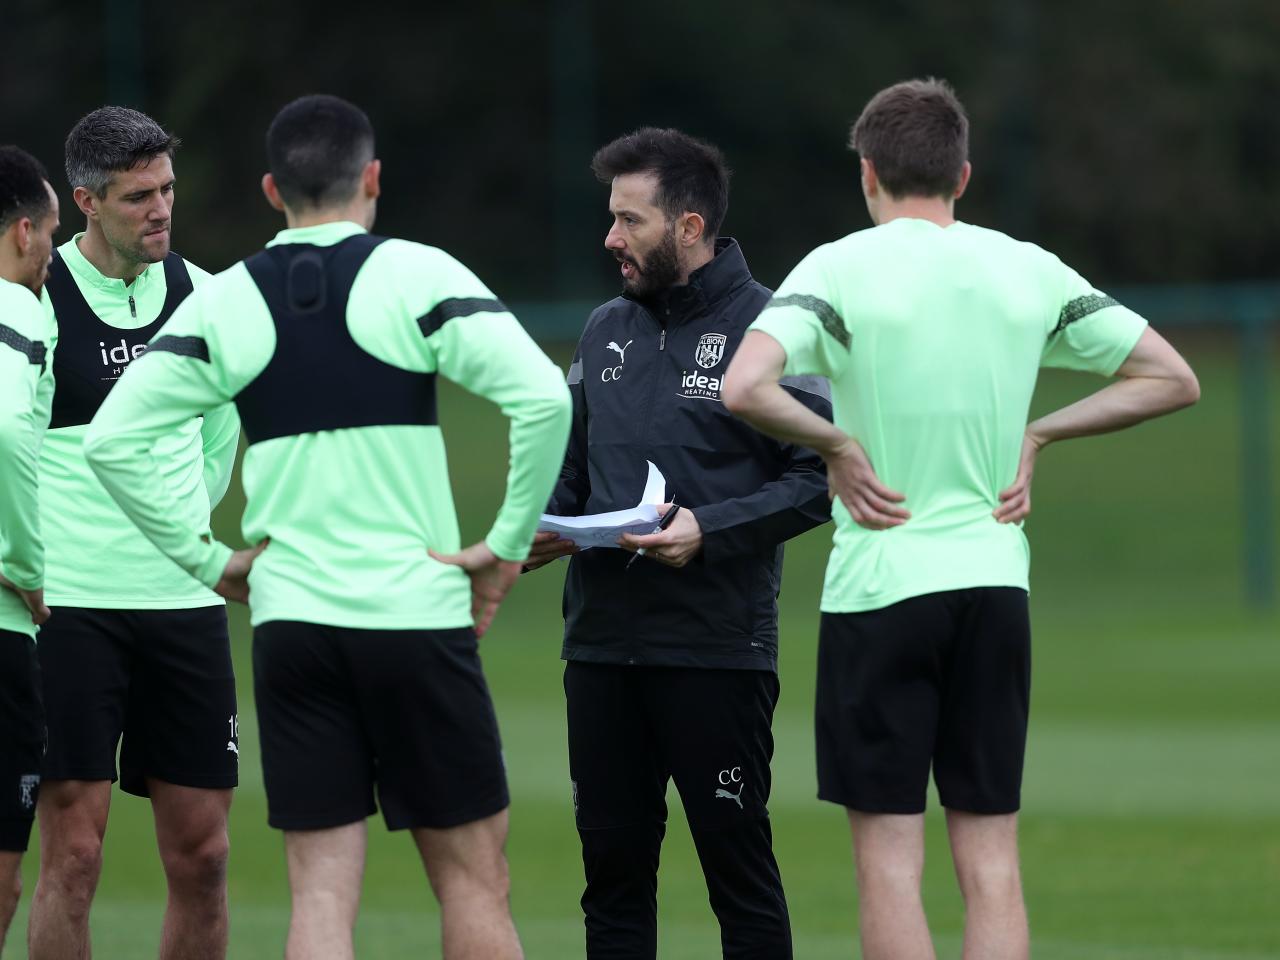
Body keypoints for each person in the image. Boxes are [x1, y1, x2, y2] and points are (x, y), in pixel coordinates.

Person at [84, 94, 572, 960]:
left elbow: (114, 441)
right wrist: (501, 548)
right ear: (372, 178)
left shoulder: (227, 300)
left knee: (318, 898)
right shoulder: (418, 273)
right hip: (415, 619)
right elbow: (540, 397)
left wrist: (208, 560)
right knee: (471, 882)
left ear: (273, 189)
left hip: (294, 627)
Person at [722, 78, 1200, 960]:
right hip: (993, 588)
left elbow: (743, 386)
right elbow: (1174, 378)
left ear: (868, 173)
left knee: (890, 868)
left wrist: (835, 446)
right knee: (992, 862)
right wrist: (1043, 432)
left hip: (881, 592)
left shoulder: (837, 267)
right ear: (964, 175)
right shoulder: (1028, 267)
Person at [525, 127, 831, 959]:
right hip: (599, 653)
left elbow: (820, 478)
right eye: (612, 219)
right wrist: (535, 530)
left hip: (716, 653)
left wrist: (711, 529)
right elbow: (570, 469)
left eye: (631, 222)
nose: (610, 238)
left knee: (740, 879)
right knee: (613, 886)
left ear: (689, 227)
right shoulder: (601, 331)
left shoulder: (775, 328)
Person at [27, 107, 242, 960]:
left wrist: (187, 526)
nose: (161, 210)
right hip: (70, 609)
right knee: (73, 859)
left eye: (168, 191)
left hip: (183, 606)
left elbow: (222, 432)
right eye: (137, 197)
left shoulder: (210, 295)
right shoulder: (36, 299)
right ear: (85, 201)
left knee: (206, 858)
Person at [0, 145, 60, 954]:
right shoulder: (17, 310)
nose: (53, 247)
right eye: (51, 231)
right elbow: (10, 429)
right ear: (22, 233)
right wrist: (26, 567)